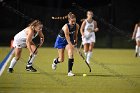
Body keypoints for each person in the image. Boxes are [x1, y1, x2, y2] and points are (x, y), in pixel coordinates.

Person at [52, 12, 79, 76]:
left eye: (74, 21)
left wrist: (75, 42)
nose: (73, 23)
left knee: (71, 53)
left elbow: (75, 35)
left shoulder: (77, 26)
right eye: (72, 21)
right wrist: (72, 45)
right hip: (61, 41)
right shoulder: (66, 27)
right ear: (69, 20)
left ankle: (69, 72)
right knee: (61, 59)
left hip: (69, 40)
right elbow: (67, 38)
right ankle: (55, 61)